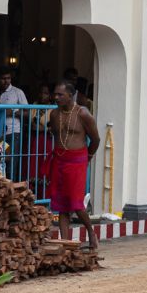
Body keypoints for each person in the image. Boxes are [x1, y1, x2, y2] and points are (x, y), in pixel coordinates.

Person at [46, 82, 100, 249]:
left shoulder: (83, 113)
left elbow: (96, 139)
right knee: (61, 204)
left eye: (60, 95)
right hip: (59, 160)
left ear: (71, 95)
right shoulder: (54, 114)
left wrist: (88, 156)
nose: (56, 98)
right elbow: (55, 135)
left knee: (76, 203)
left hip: (77, 161)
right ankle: (65, 243)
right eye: (55, 94)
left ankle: (91, 231)